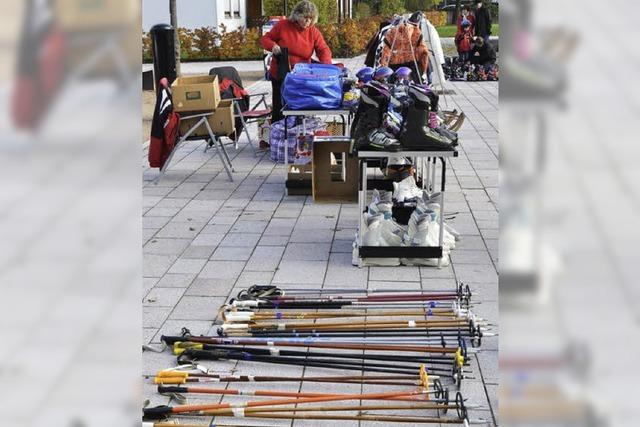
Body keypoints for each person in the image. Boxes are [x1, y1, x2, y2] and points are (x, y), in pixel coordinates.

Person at [260, 1, 333, 123]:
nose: (308, 21)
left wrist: (328, 68)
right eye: (305, 18)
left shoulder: (313, 31)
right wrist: (272, 46)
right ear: (297, 15)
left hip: (301, 76)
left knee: (301, 107)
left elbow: (323, 49)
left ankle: (299, 133)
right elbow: (265, 39)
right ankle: (278, 134)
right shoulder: (282, 26)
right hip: (281, 73)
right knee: (280, 108)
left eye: (311, 18)